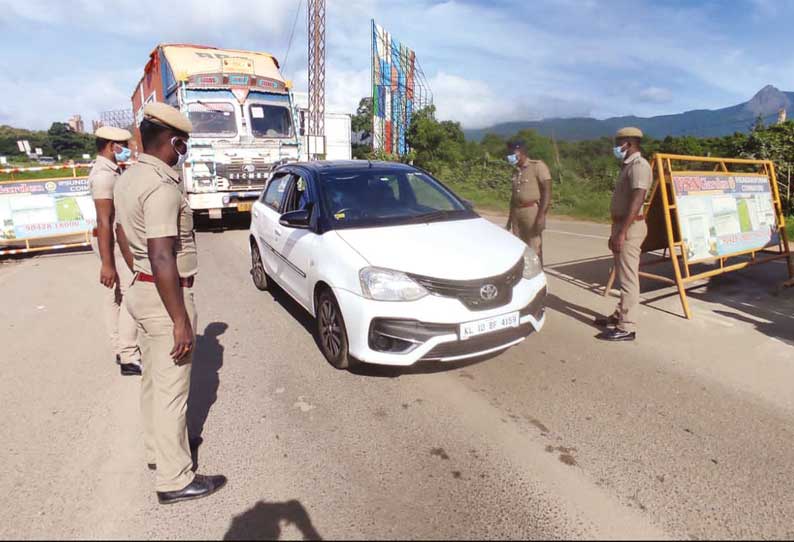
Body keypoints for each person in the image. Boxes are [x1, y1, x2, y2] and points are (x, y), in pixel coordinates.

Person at [114, 102, 226, 504]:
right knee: (172, 391)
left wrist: (136, 274)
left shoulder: (130, 177)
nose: (184, 153)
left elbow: (120, 232)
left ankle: (157, 453)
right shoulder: (161, 186)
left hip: (144, 291)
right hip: (166, 296)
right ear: (174, 141)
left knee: (153, 384)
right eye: (184, 146)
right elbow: (163, 255)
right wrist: (179, 318)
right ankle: (174, 479)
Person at [89, 126, 141, 376]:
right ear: (111, 147)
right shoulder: (103, 176)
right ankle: (129, 356)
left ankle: (122, 351)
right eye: (124, 145)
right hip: (112, 243)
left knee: (116, 297)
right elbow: (104, 221)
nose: (127, 150)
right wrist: (108, 263)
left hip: (114, 241)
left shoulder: (111, 170)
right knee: (130, 294)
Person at [595, 127, 652, 342]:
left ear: (628, 143)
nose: (615, 147)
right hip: (621, 226)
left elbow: (638, 200)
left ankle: (627, 326)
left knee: (628, 278)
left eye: (618, 143)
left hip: (630, 227)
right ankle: (620, 315)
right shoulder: (627, 166)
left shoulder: (639, 166)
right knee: (621, 274)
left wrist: (622, 232)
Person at [505, 141, 552, 264]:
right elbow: (513, 197)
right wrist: (509, 221)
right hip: (517, 213)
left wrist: (541, 216)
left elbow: (547, 191)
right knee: (519, 247)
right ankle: (524, 276)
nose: (509, 156)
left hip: (532, 211)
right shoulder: (516, 171)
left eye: (511, 153)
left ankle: (538, 276)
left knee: (534, 247)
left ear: (520, 152)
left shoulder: (537, 166)